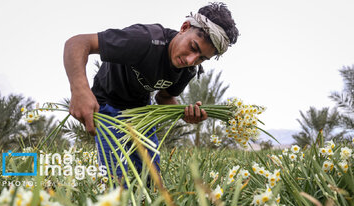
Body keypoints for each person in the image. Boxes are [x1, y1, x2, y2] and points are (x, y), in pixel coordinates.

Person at [63, 2, 239, 184]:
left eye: (202, 58)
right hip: (108, 105)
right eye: (193, 47)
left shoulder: (188, 70)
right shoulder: (145, 40)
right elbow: (77, 43)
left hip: (141, 112)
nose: (191, 60)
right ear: (184, 28)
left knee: (153, 178)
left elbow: (164, 97)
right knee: (114, 179)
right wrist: (80, 89)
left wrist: (184, 113)